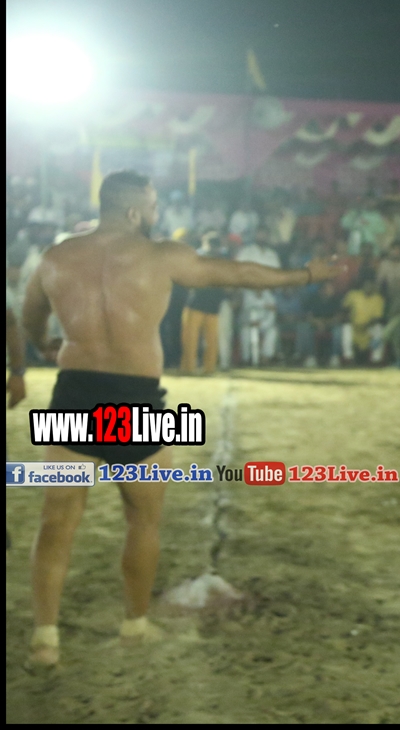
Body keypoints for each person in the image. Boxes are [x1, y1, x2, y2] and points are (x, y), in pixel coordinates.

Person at [19, 170, 337, 666]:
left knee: (56, 521)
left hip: (75, 395)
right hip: (136, 402)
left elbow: (30, 314)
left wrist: (43, 343)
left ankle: (45, 639)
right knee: (143, 520)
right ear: (133, 211)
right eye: (152, 206)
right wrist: (305, 275)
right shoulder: (161, 255)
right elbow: (237, 273)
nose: (156, 214)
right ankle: (135, 624)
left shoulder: (56, 257)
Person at [180, 231, 226, 376]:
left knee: (193, 339)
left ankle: (191, 367)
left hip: (199, 303)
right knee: (206, 339)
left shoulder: (198, 257)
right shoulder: (221, 260)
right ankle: (207, 368)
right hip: (206, 303)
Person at [341, 278, 385, 364]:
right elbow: (344, 309)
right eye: (366, 285)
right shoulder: (354, 295)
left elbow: (377, 318)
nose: (368, 287)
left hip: (368, 328)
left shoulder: (378, 298)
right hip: (354, 327)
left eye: (371, 285)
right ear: (363, 286)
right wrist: (350, 320)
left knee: (378, 329)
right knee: (346, 328)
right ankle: (348, 358)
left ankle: (376, 359)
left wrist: (365, 326)